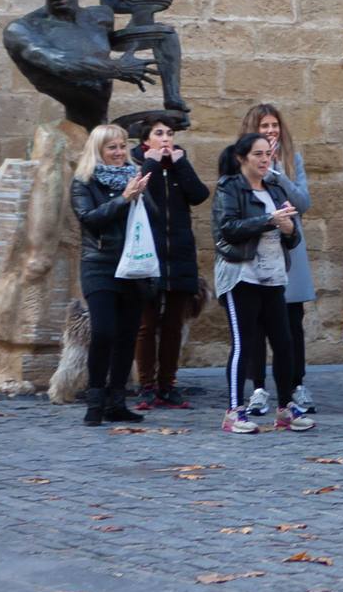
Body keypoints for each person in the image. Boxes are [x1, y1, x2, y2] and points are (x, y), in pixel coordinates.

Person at [212, 133, 309, 433]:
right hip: (241, 276)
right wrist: (268, 221)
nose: (265, 159)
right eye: (258, 154)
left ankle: (285, 409)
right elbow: (227, 229)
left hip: (273, 277)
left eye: (268, 154)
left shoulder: (276, 187)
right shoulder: (230, 188)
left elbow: (291, 238)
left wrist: (290, 229)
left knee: (284, 344)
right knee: (244, 344)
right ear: (243, 158)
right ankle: (234, 412)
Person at [69, 124, 154, 426]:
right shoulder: (83, 182)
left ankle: (116, 401)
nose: (119, 153)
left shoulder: (135, 177)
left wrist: (141, 193)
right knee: (103, 331)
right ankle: (95, 401)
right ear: (99, 151)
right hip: (100, 264)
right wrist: (123, 198)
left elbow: (153, 218)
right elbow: (90, 220)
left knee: (127, 335)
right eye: (112, 148)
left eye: (122, 147)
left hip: (133, 266)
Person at [128, 116, 209, 411]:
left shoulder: (178, 165)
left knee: (174, 323)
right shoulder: (137, 164)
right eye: (159, 133)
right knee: (147, 324)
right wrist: (150, 163)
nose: (166, 138)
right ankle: (146, 386)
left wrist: (180, 164)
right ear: (145, 140)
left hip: (179, 255)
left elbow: (199, 195)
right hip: (149, 254)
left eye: (169, 133)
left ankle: (168, 385)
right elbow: (137, 191)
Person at [243, 105, 313, 414]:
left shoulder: (291, 161)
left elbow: (303, 203)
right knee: (257, 321)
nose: (271, 131)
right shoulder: (240, 160)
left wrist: (279, 176)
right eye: (264, 126)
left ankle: (296, 384)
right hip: (256, 247)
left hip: (289, 245)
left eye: (275, 125)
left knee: (292, 319)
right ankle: (258, 388)